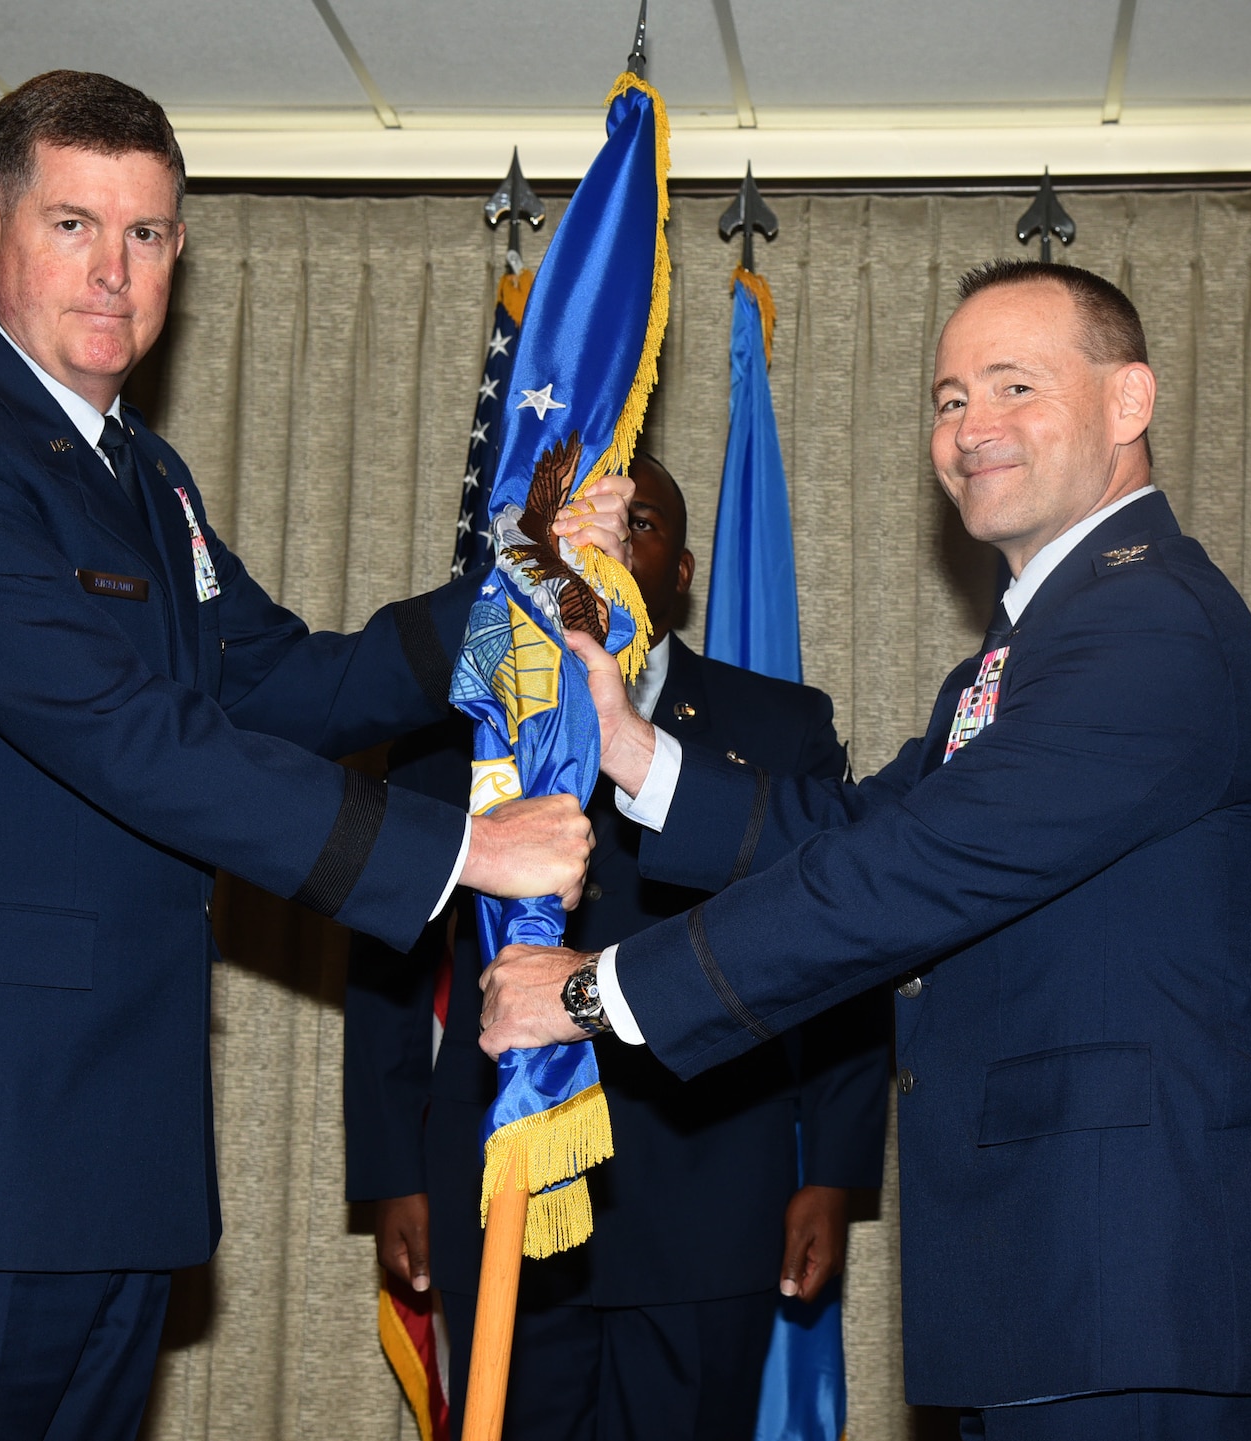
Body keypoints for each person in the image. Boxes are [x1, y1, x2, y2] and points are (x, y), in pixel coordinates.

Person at [0, 70, 628, 1441]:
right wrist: (461, 849)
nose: (114, 273)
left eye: (148, 235)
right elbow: (122, 731)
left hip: (115, 1161)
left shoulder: (145, 477)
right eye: (72, 227)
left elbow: (279, 680)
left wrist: (514, 582)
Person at [479, 261, 1251, 1440]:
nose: (969, 427)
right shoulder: (1048, 630)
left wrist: (594, 992)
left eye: (1013, 386)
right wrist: (636, 754)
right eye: (947, 399)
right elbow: (866, 826)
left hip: (1129, 1286)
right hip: (1050, 1281)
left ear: (1127, 402)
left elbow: (910, 875)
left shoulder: (1148, 628)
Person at [345, 454, 889, 1441]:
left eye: (636, 522)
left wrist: (833, 1167)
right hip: (501, 1175)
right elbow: (388, 955)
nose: (603, 541)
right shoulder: (453, 721)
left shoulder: (777, 723)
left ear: (678, 569)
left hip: (708, 1178)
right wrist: (391, 1168)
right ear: (537, 547)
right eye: (577, 517)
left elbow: (841, 950)